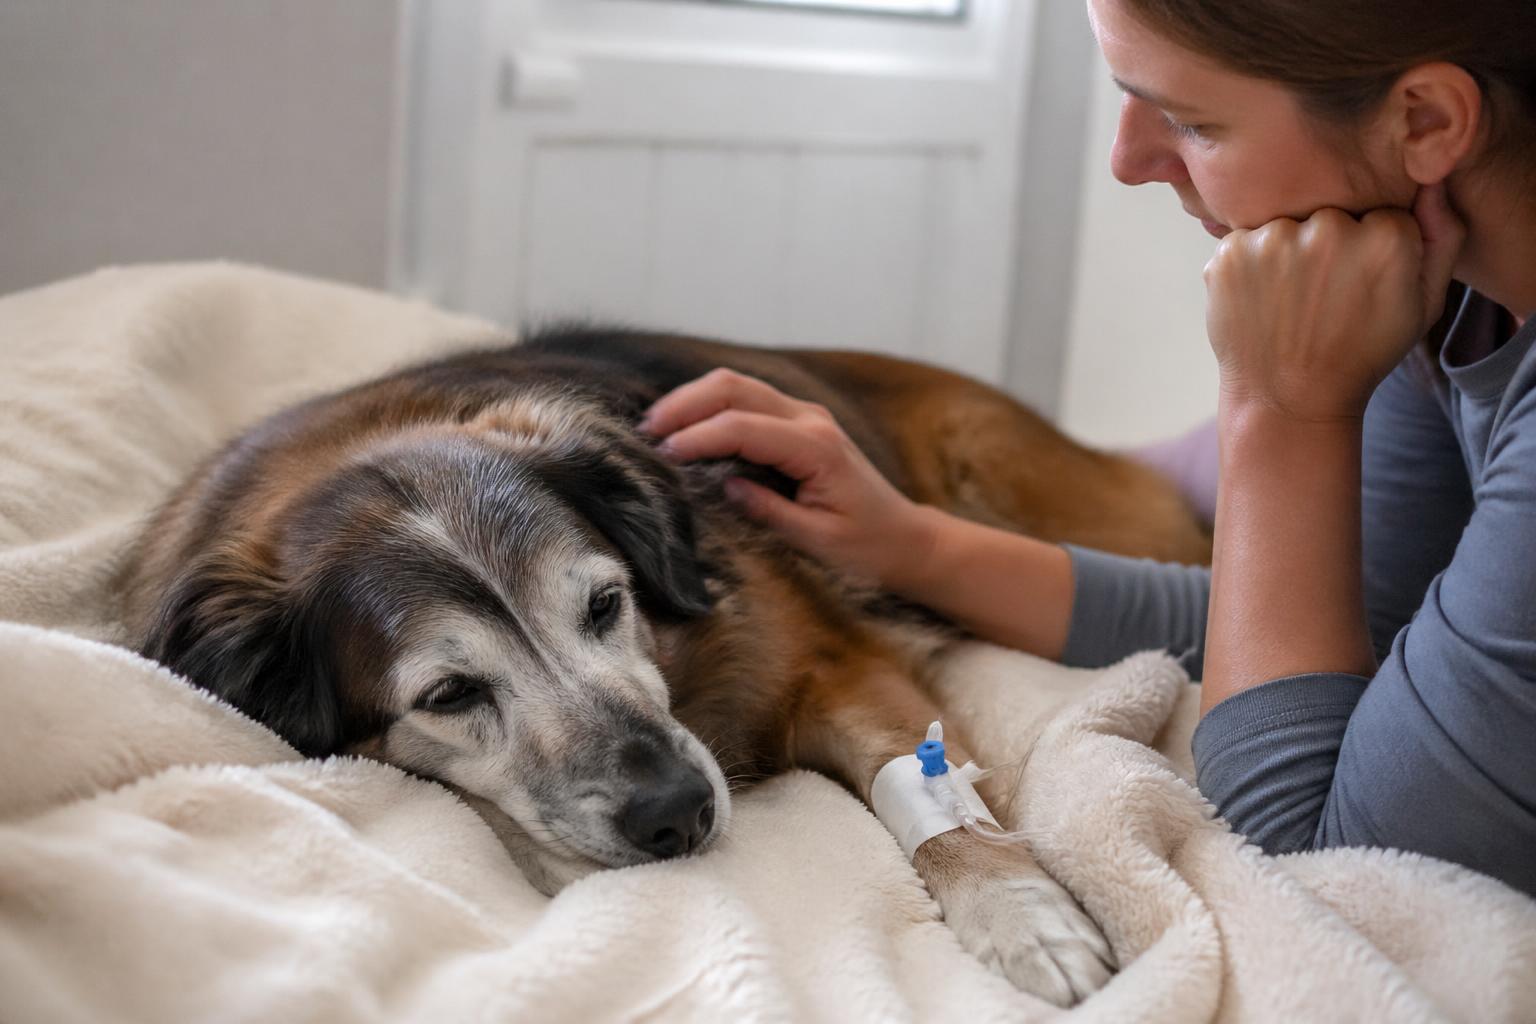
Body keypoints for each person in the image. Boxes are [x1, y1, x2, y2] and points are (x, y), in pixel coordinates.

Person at [638, 0, 1536, 899]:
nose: (1128, 161)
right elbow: (1330, 631)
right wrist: (908, 545)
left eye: (1189, 120)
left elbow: (1328, 854)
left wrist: (1280, 414)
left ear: (1425, 121)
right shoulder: (1448, 294)